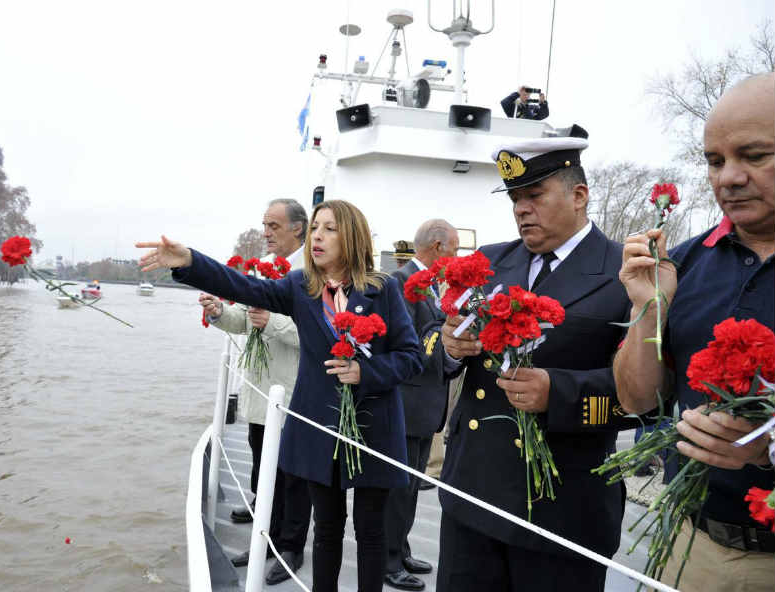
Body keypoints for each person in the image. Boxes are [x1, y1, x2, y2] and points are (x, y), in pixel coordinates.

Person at [137, 199, 423, 592]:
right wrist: (188, 260)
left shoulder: (383, 289)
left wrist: (365, 372)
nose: (318, 236)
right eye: (316, 227)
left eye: (330, 229)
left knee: (371, 533)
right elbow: (242, 286)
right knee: (326, 531)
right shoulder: (300, 287)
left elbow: (410, 357)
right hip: (319, 428)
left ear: (352, 237)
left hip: (375, 429)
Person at [438, 135, 640, 591]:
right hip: (472, 496)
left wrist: (559, 393)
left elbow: (647, 393)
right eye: (515, 198)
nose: (521, 209)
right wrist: (450, 346)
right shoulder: (489, 262)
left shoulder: (624, 274)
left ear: (579, 195)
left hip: (561, 511)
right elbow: (434, 345)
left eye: (534, 195)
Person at [613, 73, 774, 590]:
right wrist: (648, 310)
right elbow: (638, 399)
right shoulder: (682, 263)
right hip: (692, 546)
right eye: (714, 160)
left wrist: (766, 447)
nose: (729, 177)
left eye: (754, 156)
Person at [199, 198, 313, 582]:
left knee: (293, 479)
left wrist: (273, 323)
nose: (265, 232)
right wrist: (218, 312)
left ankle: (291, 548)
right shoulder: (262, 273)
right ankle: (265, 539)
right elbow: (247, 322)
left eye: (273, 226)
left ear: (298, 229)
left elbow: (322, 336)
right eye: (264, 224)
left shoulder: (312, 275)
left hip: (292, 395)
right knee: (262, 474)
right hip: (260, 393)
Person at [384, 219, 459, 591]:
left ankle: (401, 547)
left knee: (411, 485)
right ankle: (388, 560)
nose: (455, 258)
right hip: (406, 403)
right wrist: (444, 334)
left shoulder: (428, 288)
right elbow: (407, 344)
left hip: (424, 405)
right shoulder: (400, 285)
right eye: (454, 249)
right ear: (437, 246)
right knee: (398, 487)